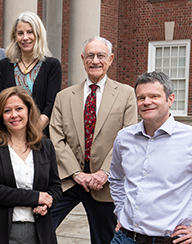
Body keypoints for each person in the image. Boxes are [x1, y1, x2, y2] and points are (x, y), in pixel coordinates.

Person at [49, 36, 137, 244]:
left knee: (105, 240)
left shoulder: (126, 94)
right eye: (90, 55)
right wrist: (77, 173)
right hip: (70, 179)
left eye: (100, 55)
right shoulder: (64, 96)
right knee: (42, 225)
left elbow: (127, 137)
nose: (95, 60)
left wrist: (104, 172)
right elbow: (56, 138)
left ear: (111, 59)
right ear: (82, 59)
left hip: (105, 183)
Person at [109, 71, 192, 244]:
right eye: (141, 97)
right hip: (125, 238)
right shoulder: (124, 138)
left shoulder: (188, 139)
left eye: (154, 96)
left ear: (170, 99)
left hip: (170, 240)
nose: (147, 102)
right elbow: (116, 179)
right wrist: (121, 211)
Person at [0, 86, 62, 244]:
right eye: (7, 110)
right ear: (1, 116)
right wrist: (35, 198)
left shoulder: (45, 145)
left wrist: (47, 203)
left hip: (40, 230)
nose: (14, 115)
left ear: (29, 110)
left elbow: (55, 186)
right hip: (3, 231)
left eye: (19, 108)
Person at [0, 11, 61, 133]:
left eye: (30, 32)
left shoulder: (52, 66)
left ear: (38, 35)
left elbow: (51, 105)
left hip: (40, 135)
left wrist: (31, 133)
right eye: (20, 33)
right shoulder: (4, 66)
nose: (25, 38)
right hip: (8, 135)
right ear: (15, 37)